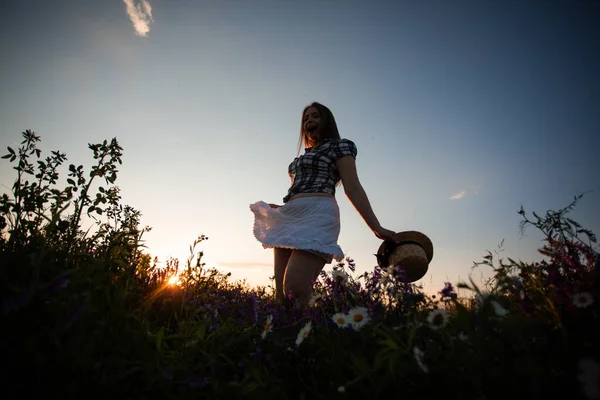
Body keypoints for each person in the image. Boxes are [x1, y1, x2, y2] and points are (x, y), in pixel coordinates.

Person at [250, 102, 396, 307]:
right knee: (282, 299)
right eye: (306, 118)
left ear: (326, 121)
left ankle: (321, 330)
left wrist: (376, 228)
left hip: (318, 214)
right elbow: (298, 190)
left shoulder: (340, 146)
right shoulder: (298, 160)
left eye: (315, 116)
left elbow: (352, 187)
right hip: (290, 215)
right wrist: (283, 208)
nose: (309, 120)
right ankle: (291, 335)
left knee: (296, 287)